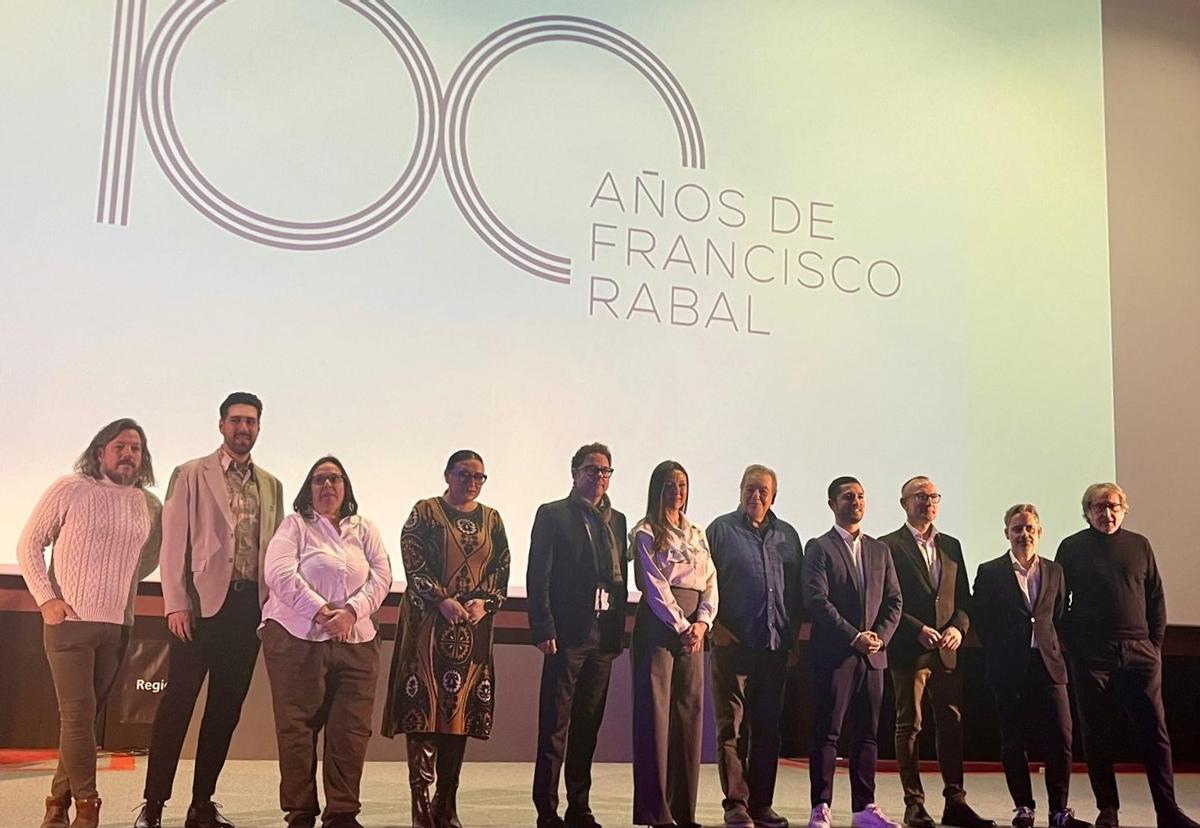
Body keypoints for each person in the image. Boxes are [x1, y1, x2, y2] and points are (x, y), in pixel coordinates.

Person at [136, 392, 285, 828]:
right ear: (221, 425)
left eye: (251, 421)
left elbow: (273, 553)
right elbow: (173, 543)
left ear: (259, 428)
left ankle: (202, 804)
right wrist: (176, 604)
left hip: (247, 610)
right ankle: (153, 805)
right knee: (176, 706)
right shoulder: (190, 473)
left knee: (225, 711)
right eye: (236, 420)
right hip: (198, 608)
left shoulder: (272, 484)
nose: (243, 428)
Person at [18, 419, 162, 828]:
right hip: (69, 625)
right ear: (101, 451)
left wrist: (119, 584)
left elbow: (146, 557)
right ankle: (87, 806)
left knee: (85, 717)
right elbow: (29, 543)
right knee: (78, 717)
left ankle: (56, 803)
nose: (129, 454)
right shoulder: (72, 488)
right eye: (120, 446)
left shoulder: (146, 503)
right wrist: (47, 600)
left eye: (136, 447)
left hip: (116, 626)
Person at [260, 457, 393, 828]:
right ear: (309, 487)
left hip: (357, 641)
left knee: (350, 732)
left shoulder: (364, 529)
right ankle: (300, 812)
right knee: (297, 729)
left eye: (335, 479)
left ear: (345, 487)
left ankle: (342, 813)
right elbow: (279, 573)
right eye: (320, 480)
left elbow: (381, 577)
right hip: (296, 639)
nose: (328, 486)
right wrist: (321, 612)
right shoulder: (295, 526)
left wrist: (351, 612)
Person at [1056, 483, 1199, 828]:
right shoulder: (1071, 548)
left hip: (1140, 652)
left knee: (1156, 733)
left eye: (1113, 506)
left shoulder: (1140, 545)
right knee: (1096, 732)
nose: (1107, 513)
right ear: (1087, 512)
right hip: (1092, 655)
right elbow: (1059, 605)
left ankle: (1168, 811)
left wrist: (1154, 646)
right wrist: (1076, 649)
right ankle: (1108, 810)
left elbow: (1156, 599)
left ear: (1124, 508)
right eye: (1098, 507)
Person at [382, 450, 511, 828]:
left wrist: (485, 603)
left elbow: (502, 567)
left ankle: (446, 800)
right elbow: (413, 559)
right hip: (428, 625)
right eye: (464, 474)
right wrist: (442, 600)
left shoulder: (493, 518)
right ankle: (420, 800)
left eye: (479, 477)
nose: (471, 482)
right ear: (447, 475)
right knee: (425, 707)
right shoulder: (424, 511)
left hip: (472, 630)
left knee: (460, 712)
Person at [879, 477, 992, 828]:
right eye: (919, 497)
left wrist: (958, 627)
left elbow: (963, 598)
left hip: (946, 651)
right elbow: (886, 599)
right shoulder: (888, 546)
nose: (927, 502)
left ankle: (955, 801)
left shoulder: (951, 545)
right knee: (909, 725)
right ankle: (914, 803)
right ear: (903, 503)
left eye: (933, 497)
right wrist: (916, 629)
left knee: (951, 723)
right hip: (908, 650)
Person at [528, 443, 629, 828]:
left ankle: (579, 806)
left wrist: (617, 633)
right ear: (574, 473)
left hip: (604, 637)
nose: (599, 476)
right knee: (555, 724)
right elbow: (539, 575)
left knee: (588, 725)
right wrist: (543, 626)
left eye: (605, 470)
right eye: (591, 469)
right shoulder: (554, 514)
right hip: (566, 635)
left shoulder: (617, 519)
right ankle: (547, 809)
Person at [973, 505, 1090, 828]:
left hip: (1049, 666)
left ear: (1039, 532)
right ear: (1006, 533)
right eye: (1016, 529)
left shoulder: (1055, 571)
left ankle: (1058, 810)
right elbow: (981, 619)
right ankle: (1023, 807)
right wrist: (1003, 649)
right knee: (1013, 740)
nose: (1023, 534)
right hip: (1009, 668)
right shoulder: (990, 571)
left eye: (1029, 528)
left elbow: (1058, 615)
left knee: (1062, 740)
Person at [802, 477, 902, 828]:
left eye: (861, 496)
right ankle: (821, 806)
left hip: (873, 657)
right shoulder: (819, 548)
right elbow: (817, 600)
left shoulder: (880, 550)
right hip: (835, 655)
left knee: (868, 734)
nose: (856, 501)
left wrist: (880, 637)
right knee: (828, 732)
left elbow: (895, 600)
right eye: (848, 496)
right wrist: (852, 636)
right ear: (832, 503)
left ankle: (864, 808)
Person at [706, 464, 802, 828]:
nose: (755, 495)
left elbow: (795, 594)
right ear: (739, 490)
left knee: (767, 730)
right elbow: (703, 582)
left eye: (762, 490)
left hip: (774, 648)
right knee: (730, 729)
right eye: (749, 488)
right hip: (732, 646)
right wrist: (714, 626)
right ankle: (736, 805)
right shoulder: (719, 530)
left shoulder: (789, 536)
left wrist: (792, 637)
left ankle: (762, 804)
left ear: (773, 496)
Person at [629, 460, 717, 828]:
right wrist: (681, 624)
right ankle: (656, 811)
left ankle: (684, 810)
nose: (677, 491)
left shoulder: (697, 531)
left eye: (682, 484)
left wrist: (702, 621)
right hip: (660, 626)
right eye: (669, 484)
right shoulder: (646, 530)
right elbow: (652, 584)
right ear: (656, 488)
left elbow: (710, 578)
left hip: (693, 630)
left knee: (689, 716)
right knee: (655, 717)